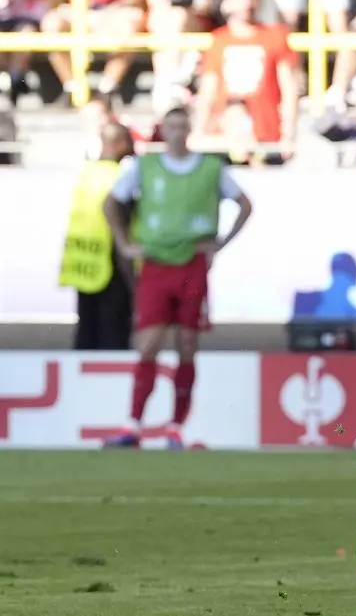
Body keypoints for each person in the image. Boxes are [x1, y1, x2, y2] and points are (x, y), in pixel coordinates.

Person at [102, 107, 254, 449]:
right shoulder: (145, 166)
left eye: (182, 125)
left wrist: (222, 243)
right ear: (162, 130)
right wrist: (125, 244)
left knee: (187, 343)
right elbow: (110, 203)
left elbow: (245, 204)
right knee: (150, 342)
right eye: (171, 125)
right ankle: (133, 424)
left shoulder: (211, 168)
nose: (177, 131)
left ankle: (175, 426)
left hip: (192, 264)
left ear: (189, 129)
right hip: (156, 262)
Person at [60, 123, 136, 350]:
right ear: (120, 143)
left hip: (85, 266)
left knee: (86, 331)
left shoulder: (87, 173)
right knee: (113, 335)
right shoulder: (122, 177)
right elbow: (123, 224)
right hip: (111, 266)